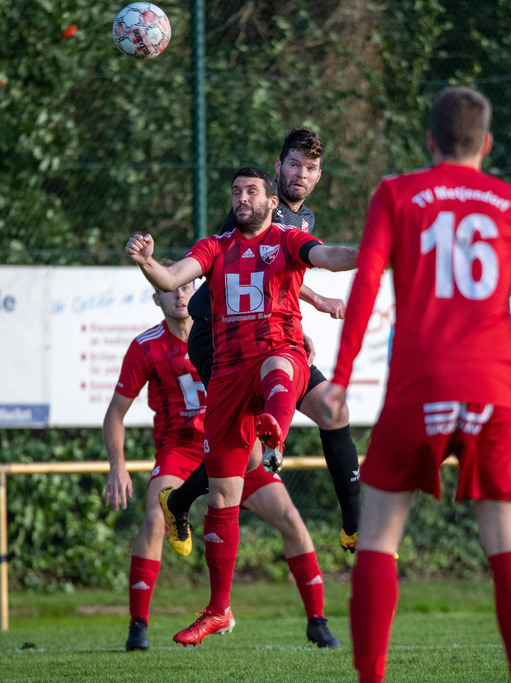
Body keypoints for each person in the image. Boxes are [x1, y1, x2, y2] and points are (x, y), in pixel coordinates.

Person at [318, 86, 511, 683]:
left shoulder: (398, 194)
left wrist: (344, 378)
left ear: (430, 142)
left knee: (378, 535)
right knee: (507, 537)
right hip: (493, 391)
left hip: (418, 387)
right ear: (486, 144)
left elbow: (367, 283)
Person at [124, 166, 358, 646]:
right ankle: (218, 609)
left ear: (272, 201)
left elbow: (330, 256)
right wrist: (148, 263)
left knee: (280, 365)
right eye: (236, 192)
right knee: (224, 499)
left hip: (277, 355)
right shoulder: (216, 246)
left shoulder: (288, 240)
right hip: (228, 375)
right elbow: (172, 275)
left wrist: (376, 253)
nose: (242, 198)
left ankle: (275, 424)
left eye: (251, 191)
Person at [102, 266, 341, 651]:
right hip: (181, 452)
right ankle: (138, 627)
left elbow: (275, 364)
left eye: (188, 288)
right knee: (153, 515)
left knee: (290, 518)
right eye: (171, 290)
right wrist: (118, 465)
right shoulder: (146, 346)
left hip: (237, 447)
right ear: (156, 297)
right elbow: (115, 414)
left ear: (200, 293)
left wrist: (299, 341)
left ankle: (318, 620)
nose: (180, 296)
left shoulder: (228, 332)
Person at [161, 127, 362, 556]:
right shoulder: (252, 210)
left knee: (332, 407)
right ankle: (180, 501)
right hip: (217, 337)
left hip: (267, 338)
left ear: (319, 176)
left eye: (309, 168)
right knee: (246, 456)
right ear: (278, 166)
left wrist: (296, 320)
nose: (300, 174)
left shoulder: (304, 220)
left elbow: (282, 275)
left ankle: (354, 525)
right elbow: (245, 271)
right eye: (293, 164)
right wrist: (319, 300)